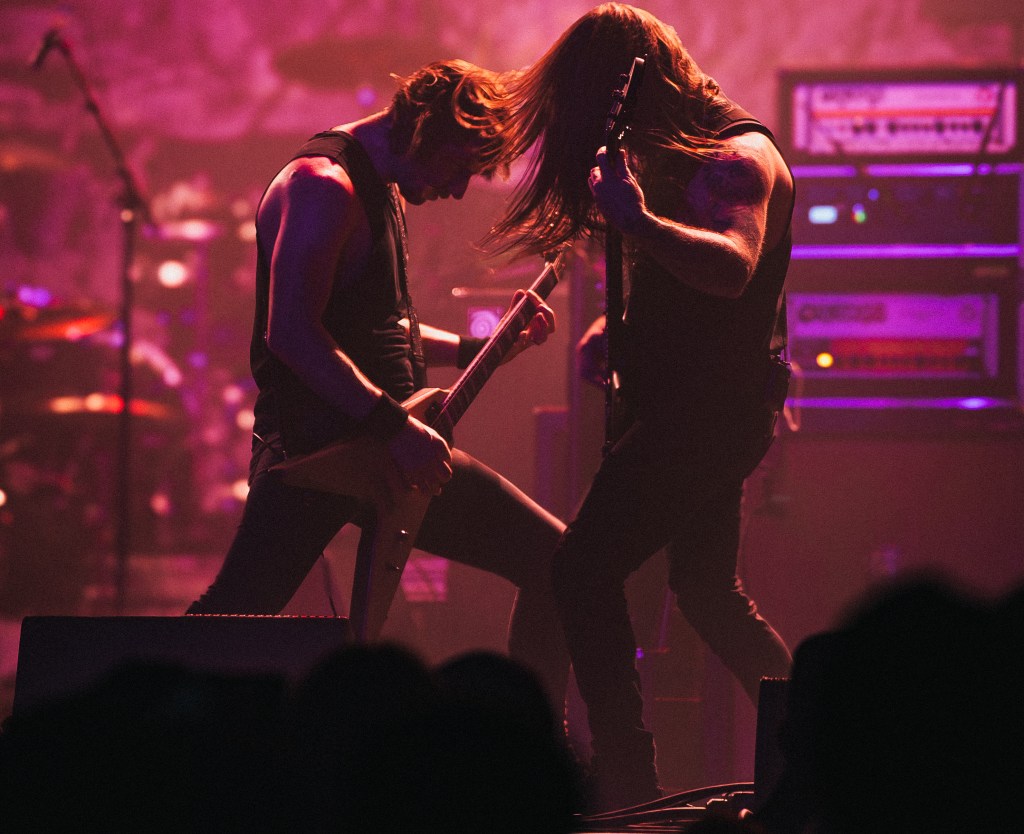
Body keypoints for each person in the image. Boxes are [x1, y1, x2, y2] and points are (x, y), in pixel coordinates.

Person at [187, 60, 568, 709]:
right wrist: (395, 427)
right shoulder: (322, 187)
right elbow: (292, 333)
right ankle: (136, 736)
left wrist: (482, 350)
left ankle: (527, 747)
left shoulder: (382, 185)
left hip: (387, 454)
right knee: (229, 620)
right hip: (318, 456)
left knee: (557, 564)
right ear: (424, 131)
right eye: (459, 168)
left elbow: (382, 330)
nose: (457, 190)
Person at [488, 4, 794, 809]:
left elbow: (734, 266)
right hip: (695, 412)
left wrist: (641, 223)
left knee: (581, 568)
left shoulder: (735, 157)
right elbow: (699, 292)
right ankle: (824, 748)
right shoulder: (683, 153)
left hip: (703, 420)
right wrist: (620, 323)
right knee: (708, 594)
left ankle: (625, 773)